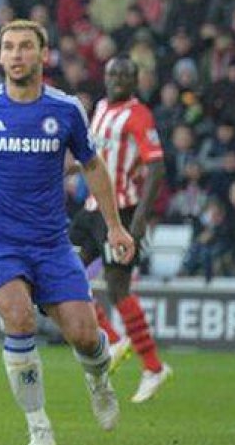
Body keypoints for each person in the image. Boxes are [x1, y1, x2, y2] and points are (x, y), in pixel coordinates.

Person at [0, 19, 135, 445]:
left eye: (25, 47)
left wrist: (116, 225)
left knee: (85, 335)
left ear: (43, 55)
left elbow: (92, 166)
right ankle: (38, 422)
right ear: (0, 56)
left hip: (50, 240)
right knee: (19, 316)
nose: (16, 55)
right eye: (8, 47)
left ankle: (99, 378)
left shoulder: (65, 110)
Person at [69, 57, 173, 403]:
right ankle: (114, 339)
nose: (117, 80)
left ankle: (154, 367)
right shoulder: (99, 108)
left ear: (135, 81)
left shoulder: (138, 115)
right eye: (113, 73)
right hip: (91, 211)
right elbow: (94, 155)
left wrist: (139, 222)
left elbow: (156, 169)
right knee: (65, 274)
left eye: (126, 75)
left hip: (121, 211)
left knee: (118, 289)